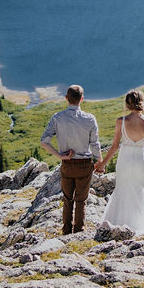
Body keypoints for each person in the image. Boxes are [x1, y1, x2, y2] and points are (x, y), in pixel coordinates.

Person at [40, 84, 101, 235]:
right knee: (81, 200)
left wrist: (60, 156)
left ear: (66, 98)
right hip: (84, 165)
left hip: (67, 164)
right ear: (82, 99)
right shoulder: (90, 119)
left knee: (67, 199)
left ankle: (66, 230)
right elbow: (95, 144)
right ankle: (79, 230)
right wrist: (99, 161)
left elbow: (44, 141)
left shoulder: (57, 118)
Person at [95, 89, 144, 235]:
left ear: (127, 104)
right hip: (141, 158)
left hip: (125, 159)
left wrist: (102, 164)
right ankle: (139, 225)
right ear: (142, 102)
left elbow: (115, 146)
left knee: (122, 189)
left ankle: (118, 223)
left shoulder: (121, 121)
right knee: (139, 191)